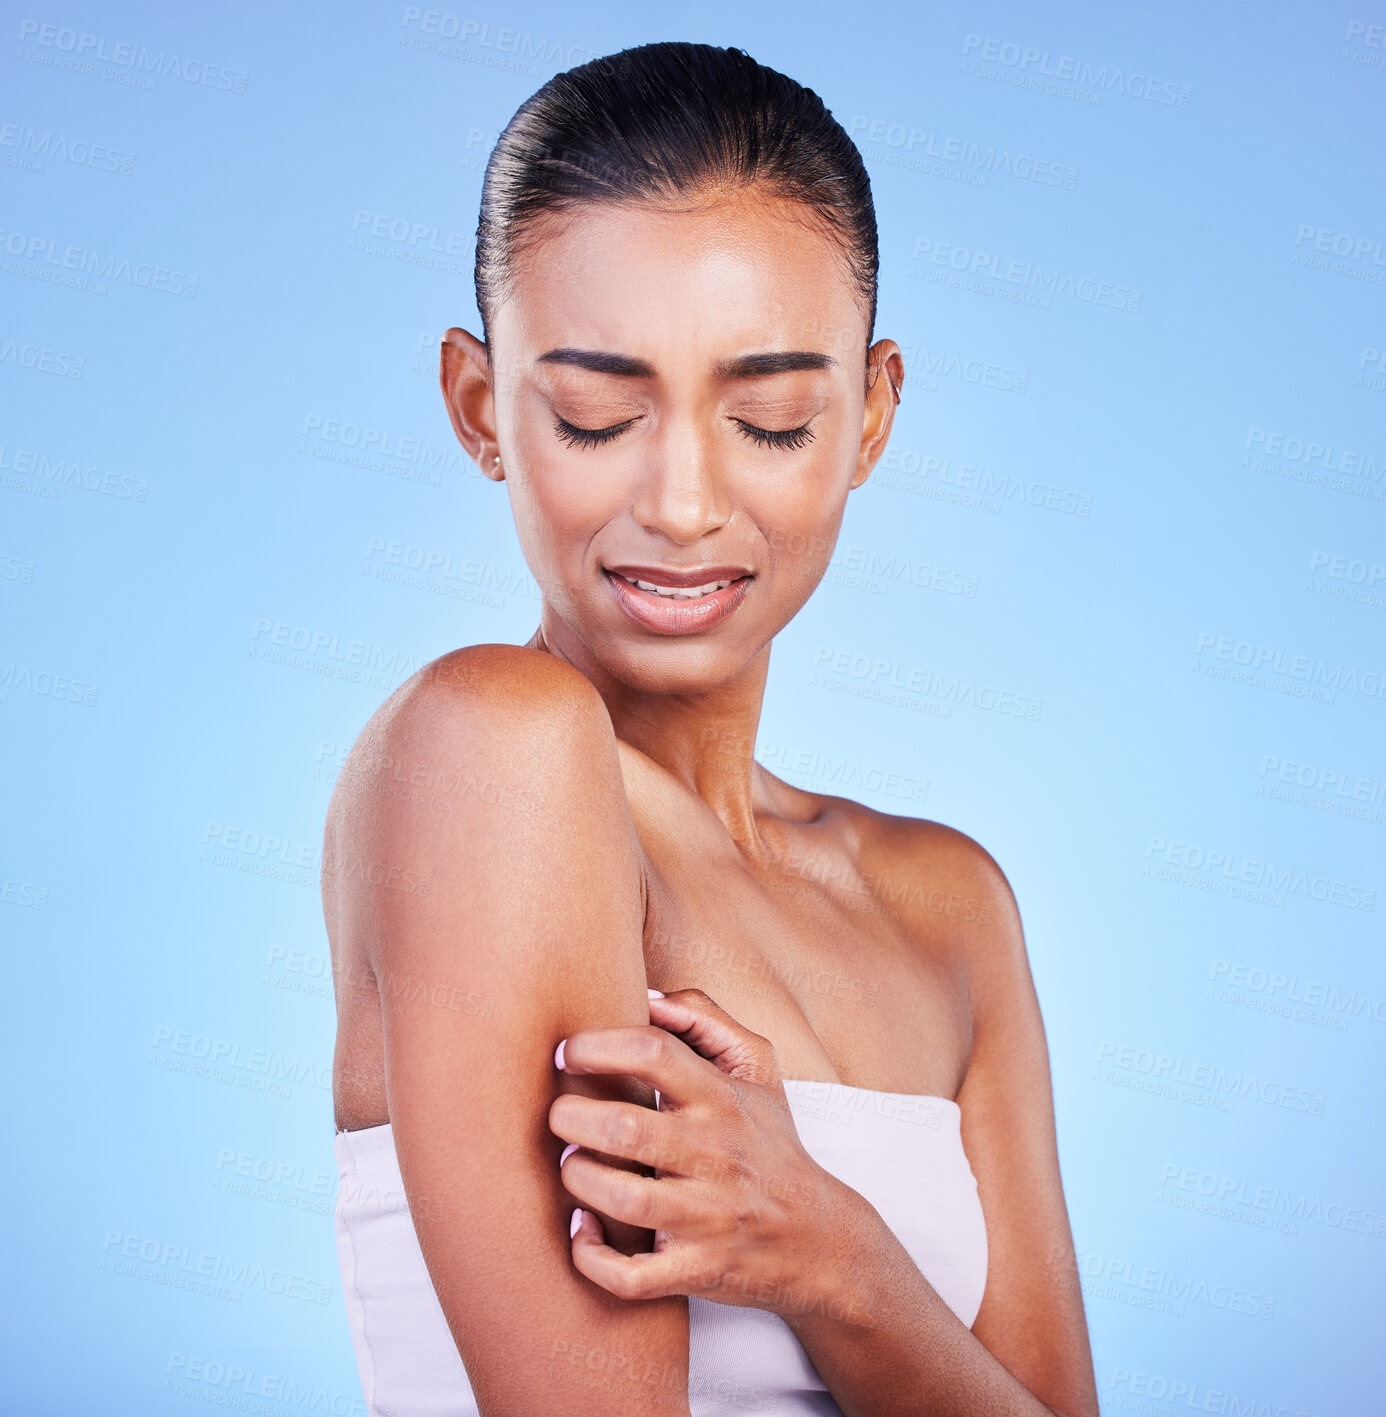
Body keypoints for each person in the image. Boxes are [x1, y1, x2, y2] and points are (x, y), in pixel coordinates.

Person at [323, 39, 1098, 1417]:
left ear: (868, 418)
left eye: (770, 417)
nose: (683, 499)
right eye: (596, 411)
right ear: (477, 407)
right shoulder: (490, 749)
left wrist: (834, 1254)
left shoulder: (948, 903)